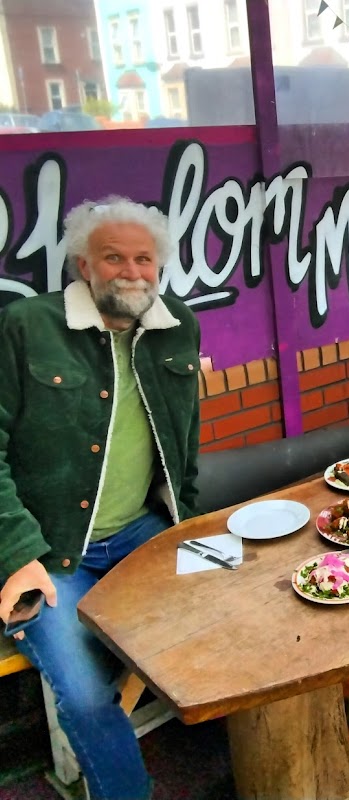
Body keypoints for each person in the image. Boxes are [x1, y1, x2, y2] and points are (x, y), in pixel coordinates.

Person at [0, 196, 200, 799]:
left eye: (144, 259)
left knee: (241, 603)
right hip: (52, 551)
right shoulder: (27, 326)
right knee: (86, 696)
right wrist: (15, 556)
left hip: (144, 530)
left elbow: (183, 444)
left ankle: (239, 730)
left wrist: (187, 523)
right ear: (84, 266)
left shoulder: (178, 325)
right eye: (114, 257)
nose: (131, 272)